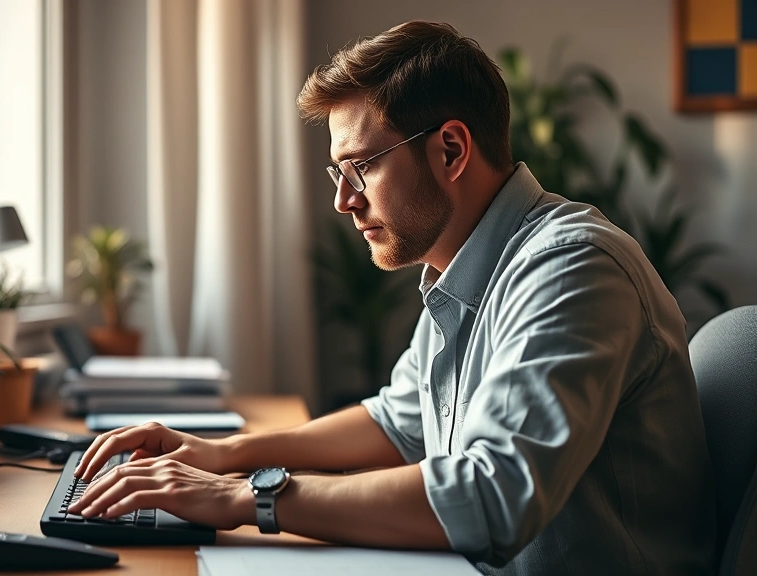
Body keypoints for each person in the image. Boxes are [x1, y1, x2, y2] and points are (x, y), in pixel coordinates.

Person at [68, 20, 717, 575]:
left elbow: (493, 495)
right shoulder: (463, 271)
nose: (343, 201)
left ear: (451, 150)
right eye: (338, 172)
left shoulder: (571, 267)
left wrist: (246, 496)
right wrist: (225, 454)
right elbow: (397, 421)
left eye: (362, 167)